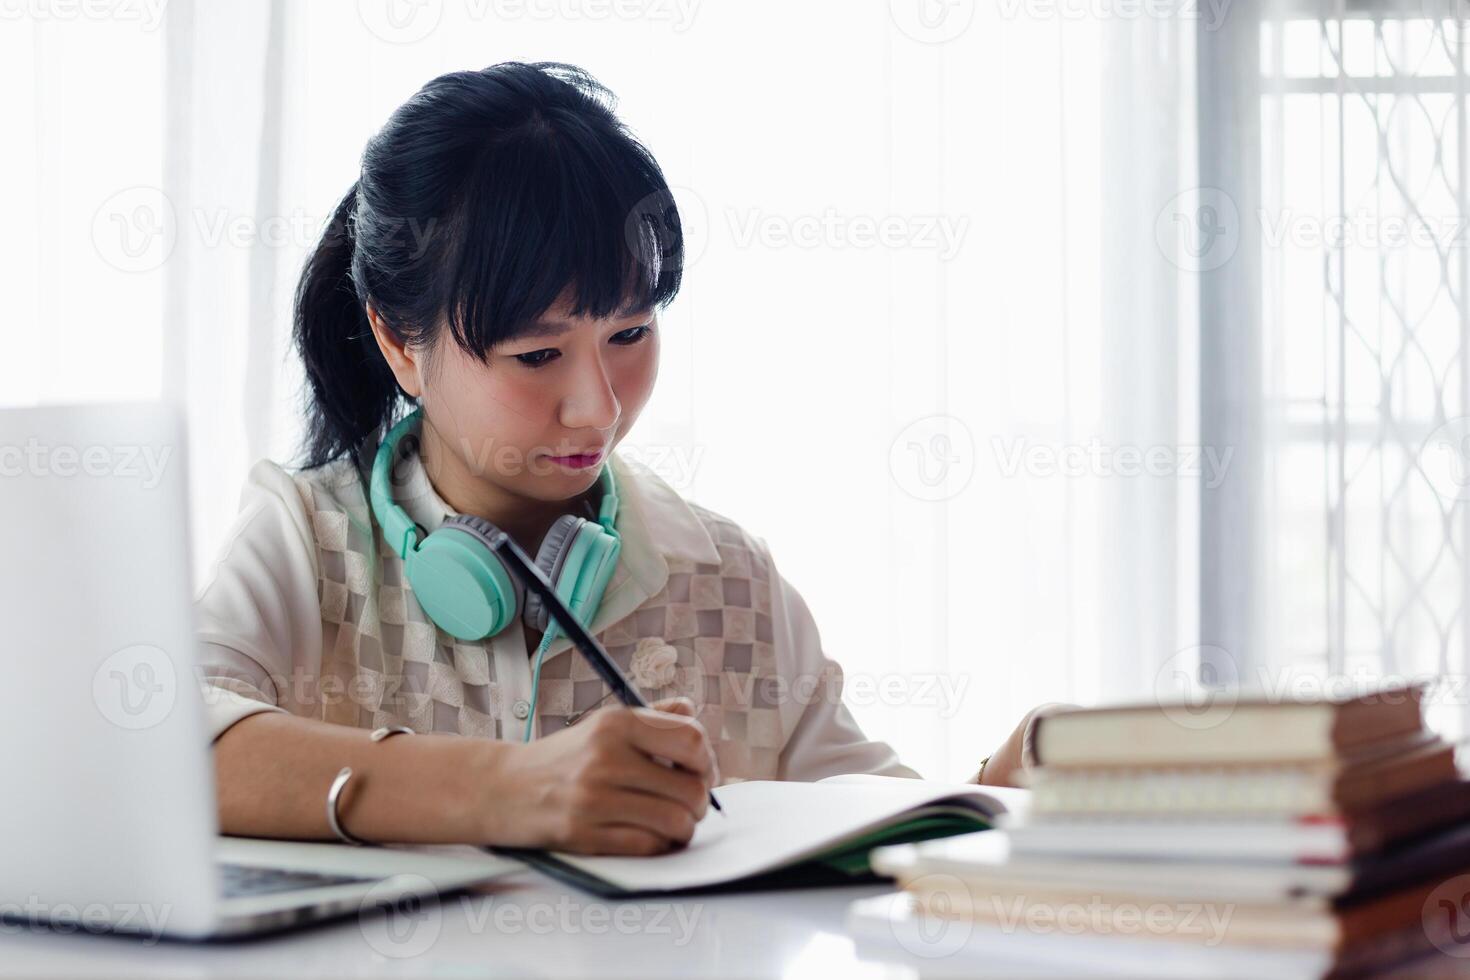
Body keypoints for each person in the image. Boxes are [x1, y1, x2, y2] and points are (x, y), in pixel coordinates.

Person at [196, 61, 1058, 857]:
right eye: (538, 355)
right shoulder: (305, 543)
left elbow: (879, 825)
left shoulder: (727, 577)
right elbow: (161, 752)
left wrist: (1000, 791)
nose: (599, 406)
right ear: (399, 341)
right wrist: (509, 790)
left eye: (631, 334)